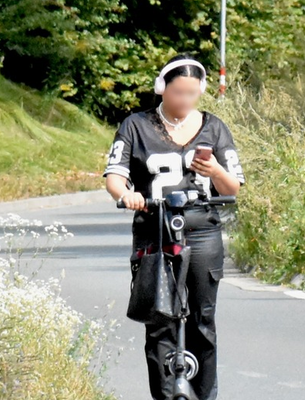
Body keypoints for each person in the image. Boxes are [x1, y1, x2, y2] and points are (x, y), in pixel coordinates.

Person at [104, 54, 245, 400]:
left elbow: (233, 189)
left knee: (202, 322)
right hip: (155, 230)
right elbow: (114, 178)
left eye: (192, 93)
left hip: (201, 230)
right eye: (178, 92)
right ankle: (166, 396)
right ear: (161, 89)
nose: (185, 100)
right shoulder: (135, 126)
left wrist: (214, 173)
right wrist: (129, 195)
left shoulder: (215, 128)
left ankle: (204, 395)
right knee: (160, 323)